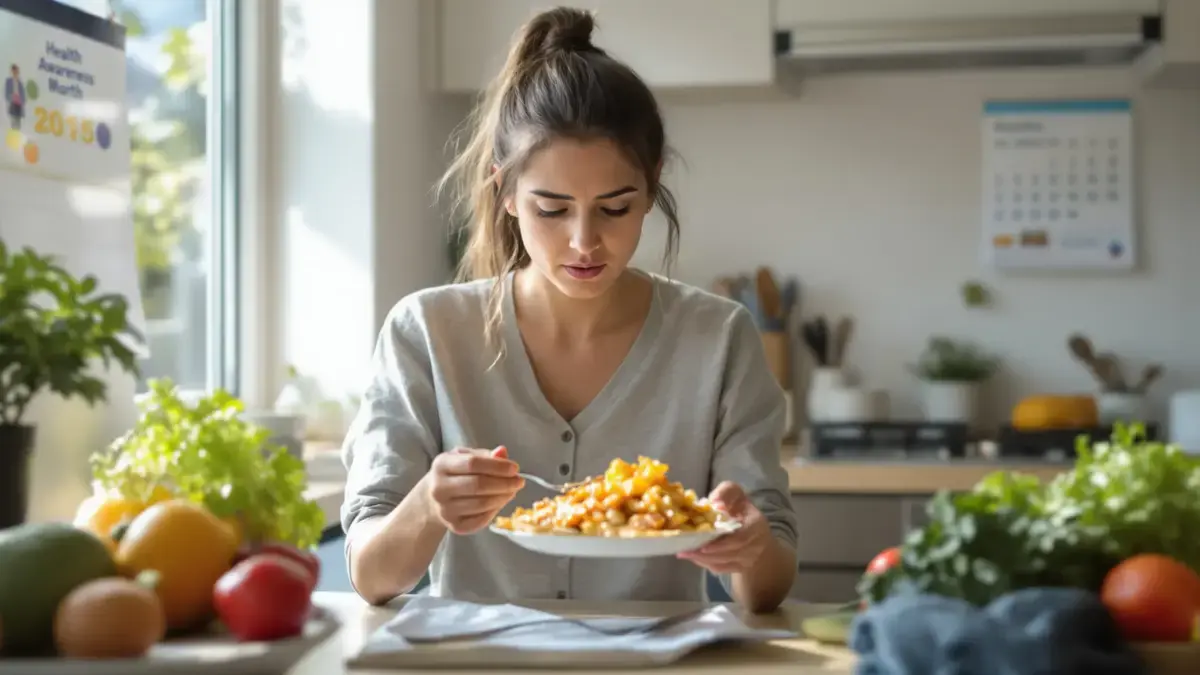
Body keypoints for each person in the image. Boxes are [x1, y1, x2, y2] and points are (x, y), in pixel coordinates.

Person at [341, 6, 799, 612]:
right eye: (552, 210)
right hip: (478, 656)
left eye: (615, 208)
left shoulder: (718, 337)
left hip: (653, 655)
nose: (584, 242)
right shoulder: (426, 332)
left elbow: (768, 585)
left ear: (652, 184)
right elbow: (370, 576)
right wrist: (428, 504)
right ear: (505, 192)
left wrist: (750, 545)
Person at [5, 64, 24, 131]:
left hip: (19, 105)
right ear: (12, 71)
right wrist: (12, 97)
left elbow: (23, 95)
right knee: (13, 122)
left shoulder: (20, 82)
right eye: (14, 71)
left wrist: (21, 101)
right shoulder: (9, 81)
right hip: (12, 103)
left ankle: (17, 134)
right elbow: (6, 94)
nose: (16, 73)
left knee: (18, 123)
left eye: (17, 71)